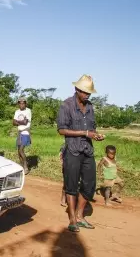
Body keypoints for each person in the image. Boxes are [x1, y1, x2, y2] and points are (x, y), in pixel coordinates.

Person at [57, 74, 105, 233]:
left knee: (89, 184)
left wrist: (95, 135)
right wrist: (84, 133)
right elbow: (61, 130)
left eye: (89, 92)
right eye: (85, 92)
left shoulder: (90, 106)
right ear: (77, 89)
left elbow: (91, 128)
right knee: (71, 184)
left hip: (87, 150)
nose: (87, 95)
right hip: (72, 150)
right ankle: (72, 219)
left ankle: (79, 215)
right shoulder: (66, 105)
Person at [13, 97, 32, 174]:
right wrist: (20, 122)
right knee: (18, 151)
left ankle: (25, 166)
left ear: (25, 104)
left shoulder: (28, 111)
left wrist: (18, 122)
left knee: (21, 150)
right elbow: (13, 122)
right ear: (18, 104)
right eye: (19, 103)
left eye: (23, 103)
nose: (21, 105)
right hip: (19, 132)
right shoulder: (17, 111)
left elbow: (25, 122)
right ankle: (21, 167)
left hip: (25, 132)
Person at [59, 142, 67, 207]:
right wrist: (63, 164)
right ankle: (63, 198)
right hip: (67, 165)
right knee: (66, 183)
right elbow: (61, 155)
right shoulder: (65, 144)